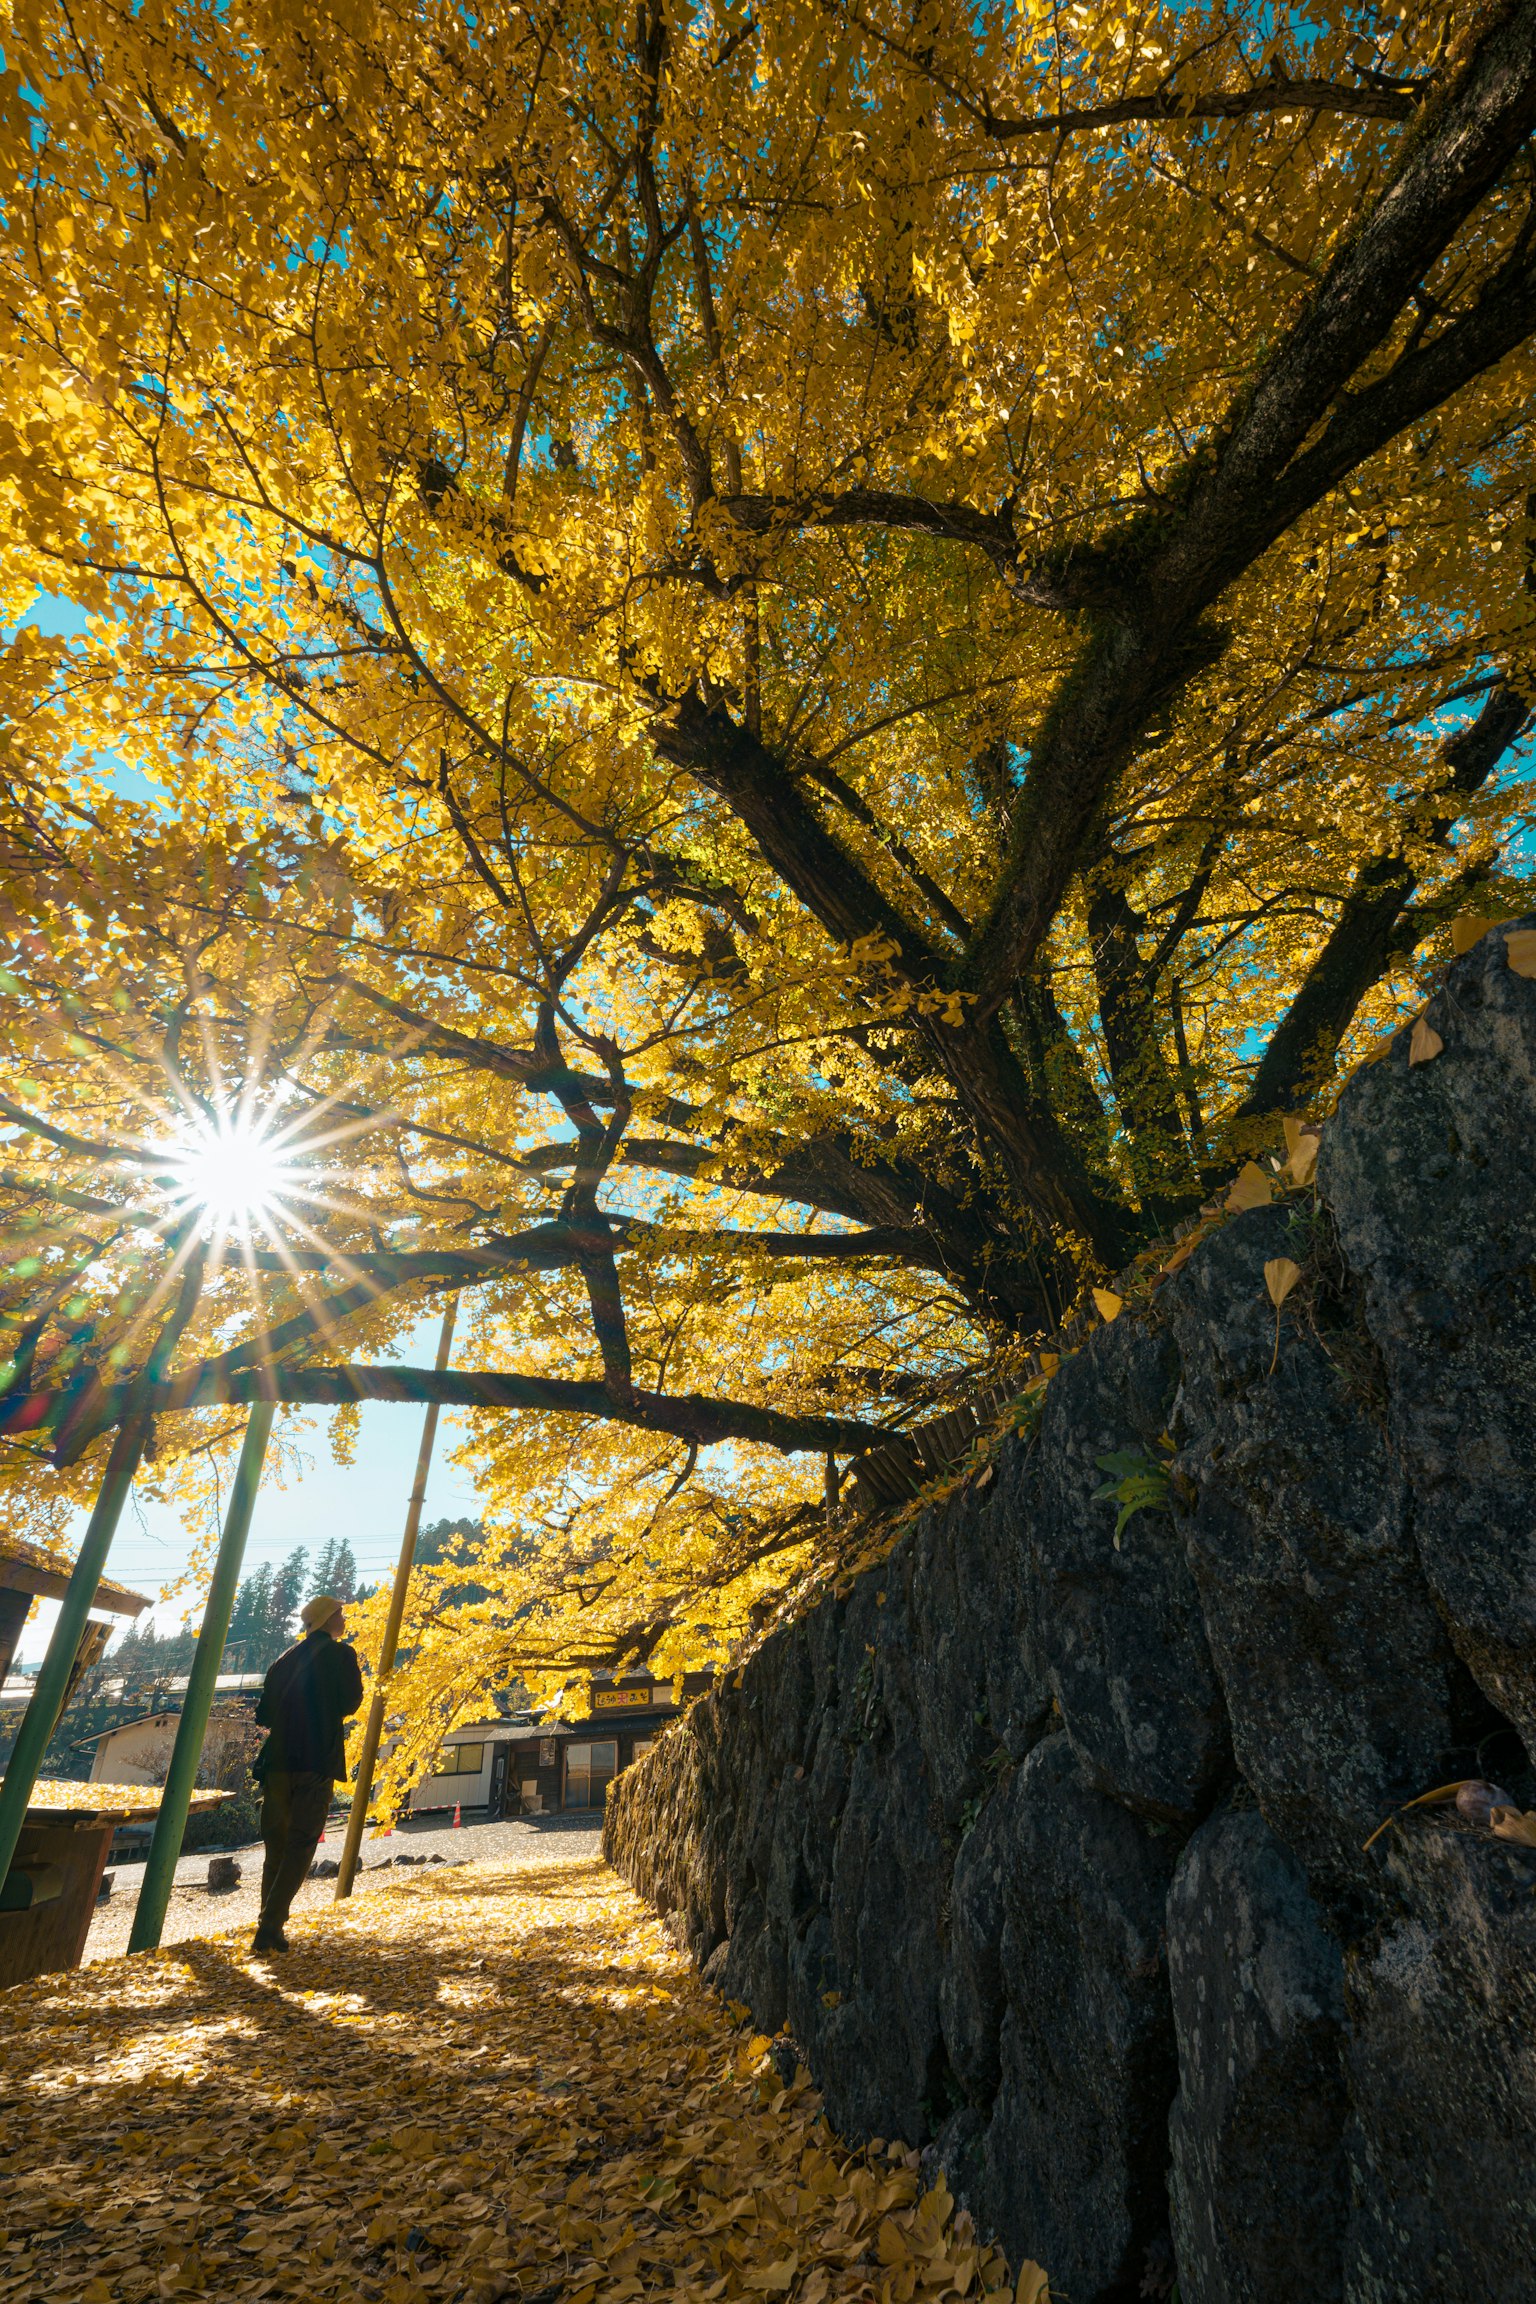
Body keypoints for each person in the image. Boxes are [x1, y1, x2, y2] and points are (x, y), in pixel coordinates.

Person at [251, 1593, 363, 1954]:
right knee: (302, 1843)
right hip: (316, 1759)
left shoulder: (283, 1661)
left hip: (277, 1763)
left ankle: (267, 1923)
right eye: (340, 1614)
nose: (344, 1620)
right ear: (328, 1619)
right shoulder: (342, 1655)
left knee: (276, 1846)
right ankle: (271, 1923)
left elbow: (264, 1714)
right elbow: (351, 1702)